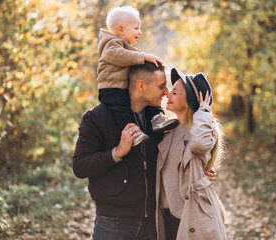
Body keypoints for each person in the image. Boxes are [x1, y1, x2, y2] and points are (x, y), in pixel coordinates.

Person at [73, 62, 217, 240]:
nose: (166, 93)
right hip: (113, 222)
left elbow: (175, 159)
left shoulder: (158, 122)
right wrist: (117, 152)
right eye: (161, 86)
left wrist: (199, 175)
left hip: (153, 223)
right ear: (141, 86)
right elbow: (79, 166)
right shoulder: (96, 118)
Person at [155, 68, 227, 240]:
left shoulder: (202, 132)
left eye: (174, 92)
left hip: (192, 218)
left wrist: (203, 109)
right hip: (167, 217)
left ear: (189, 100)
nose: (168, 95)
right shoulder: (167, 130)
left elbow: (200, 144)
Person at [97, 6, 178, 146]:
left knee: (149, 98)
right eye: (136, 28)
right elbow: (118, 56)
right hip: (111, 89)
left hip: (122, 87)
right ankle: (133, 133)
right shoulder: (110, 44)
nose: (139, 32)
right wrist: (143, 56)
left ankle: (157, 119)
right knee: (123, 111)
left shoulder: (124, 45)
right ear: (121, 30)